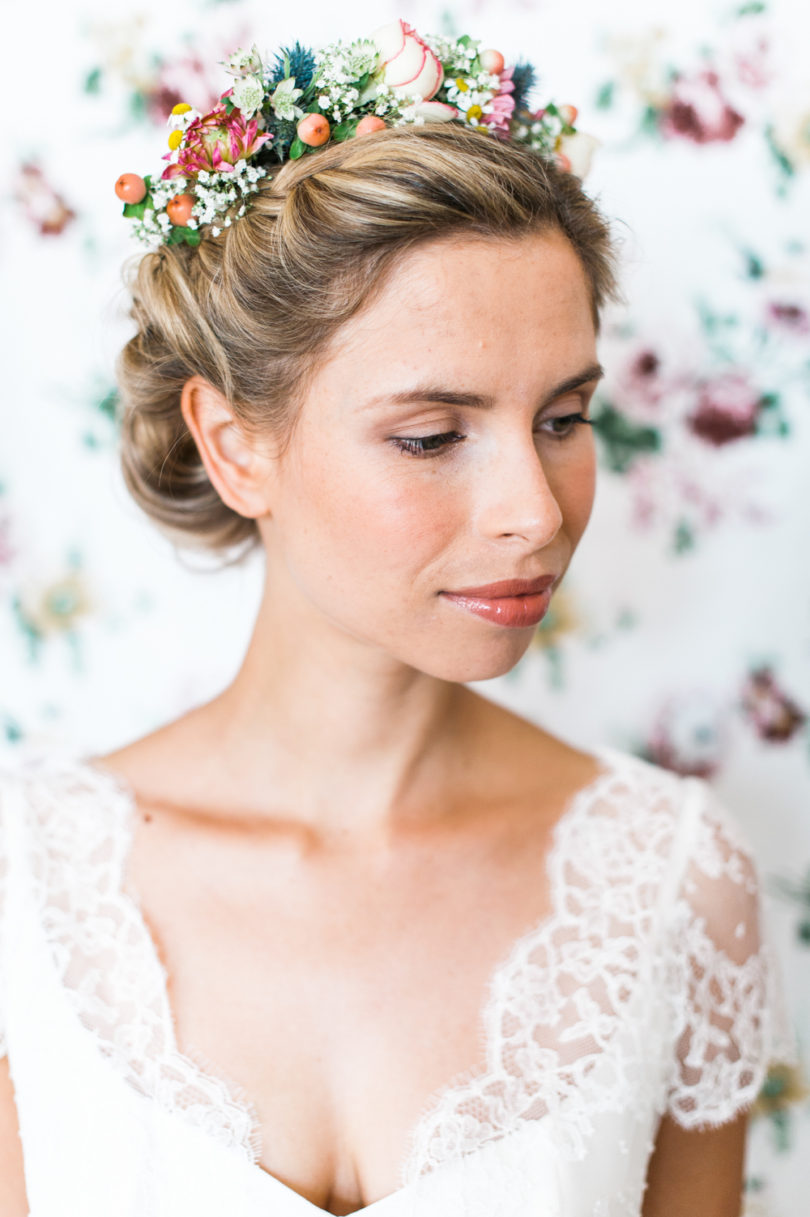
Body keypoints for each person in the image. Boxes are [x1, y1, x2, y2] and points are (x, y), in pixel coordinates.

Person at [0, 20, 796, 1217]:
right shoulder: (21, 884)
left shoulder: (675, 880)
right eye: (430, 437)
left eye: (563, 418)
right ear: (235, 444)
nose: (534, 512)